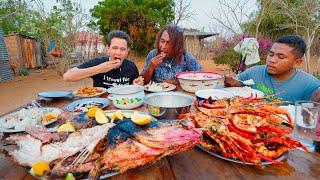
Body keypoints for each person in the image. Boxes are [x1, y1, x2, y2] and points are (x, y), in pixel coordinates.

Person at [225, 35, 320, 102]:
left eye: (281, 57)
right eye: (271, 54)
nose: (272, 60)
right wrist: (230, 83)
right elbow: (234, 87)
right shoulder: (253, 73)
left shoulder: (311, 86)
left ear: (297, 62)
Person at [63, 30, 144, 88]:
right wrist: (99, 69)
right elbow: (67, 76)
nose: (118, 52)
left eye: (122, 49)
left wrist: (136, 85)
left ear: (127, 52)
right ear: (108, 49)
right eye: (115, 48)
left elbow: (134, 88)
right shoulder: (98, 62)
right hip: (100, 106)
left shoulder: (131, 67)